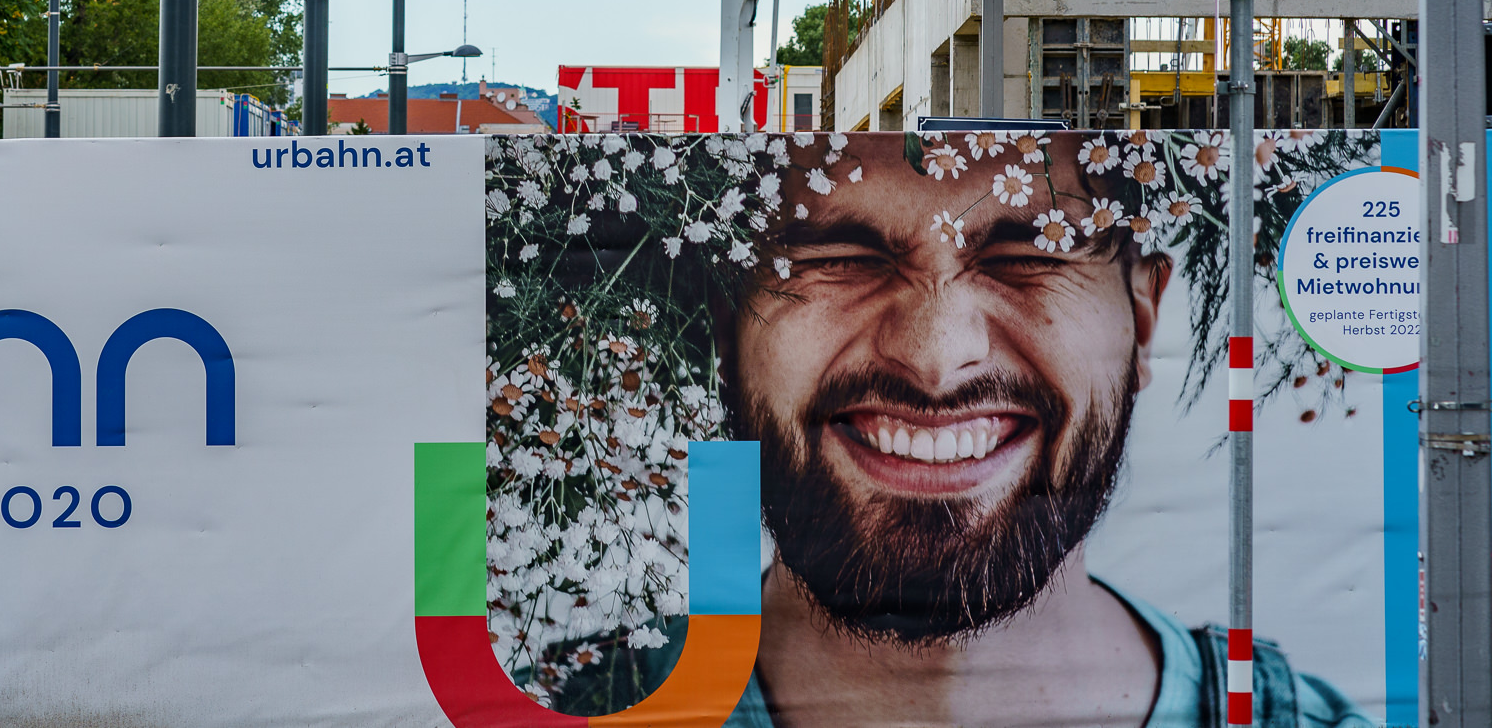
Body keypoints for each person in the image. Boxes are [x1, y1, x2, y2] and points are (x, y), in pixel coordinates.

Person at [553, 132, 1372, 728]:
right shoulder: (552, 709)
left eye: (1028, 256)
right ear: (729, 324)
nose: (937, 361)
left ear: (1143, 315)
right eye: (839, 255)